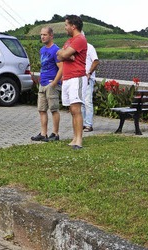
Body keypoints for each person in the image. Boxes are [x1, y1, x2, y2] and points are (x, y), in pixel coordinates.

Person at [57, 15, 88, 150]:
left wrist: (65, 54)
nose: (65, 28)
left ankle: (79, 140)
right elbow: (59, 55)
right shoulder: (69, 41)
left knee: (76, 109)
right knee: (71, 110)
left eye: (66, 25)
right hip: (68, 78)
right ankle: (74, 138)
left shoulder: (80, 39)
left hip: (77, 78)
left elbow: (63, 55)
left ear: (73, 26)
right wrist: (66, 54)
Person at [31, 26, 62, 142]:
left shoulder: (56, 50)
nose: (42, 37)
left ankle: (55, 133)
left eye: (45, 35)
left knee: (54, 109)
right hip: (42, 83)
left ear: (51, 36)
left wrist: (54, 82)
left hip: (51, 84)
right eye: (41, 35)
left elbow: (61, 68)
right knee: (42, 109)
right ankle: (43, 133)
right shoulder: (42, 50)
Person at [82, 36, 99, 133]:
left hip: (88, 78)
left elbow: (96, 61)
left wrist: (89, 73)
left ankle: (88, 124)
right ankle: (83, 123)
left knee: (87, 101)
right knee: (82, 103)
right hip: (80, 78)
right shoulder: (78, 49)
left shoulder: (90, 47)